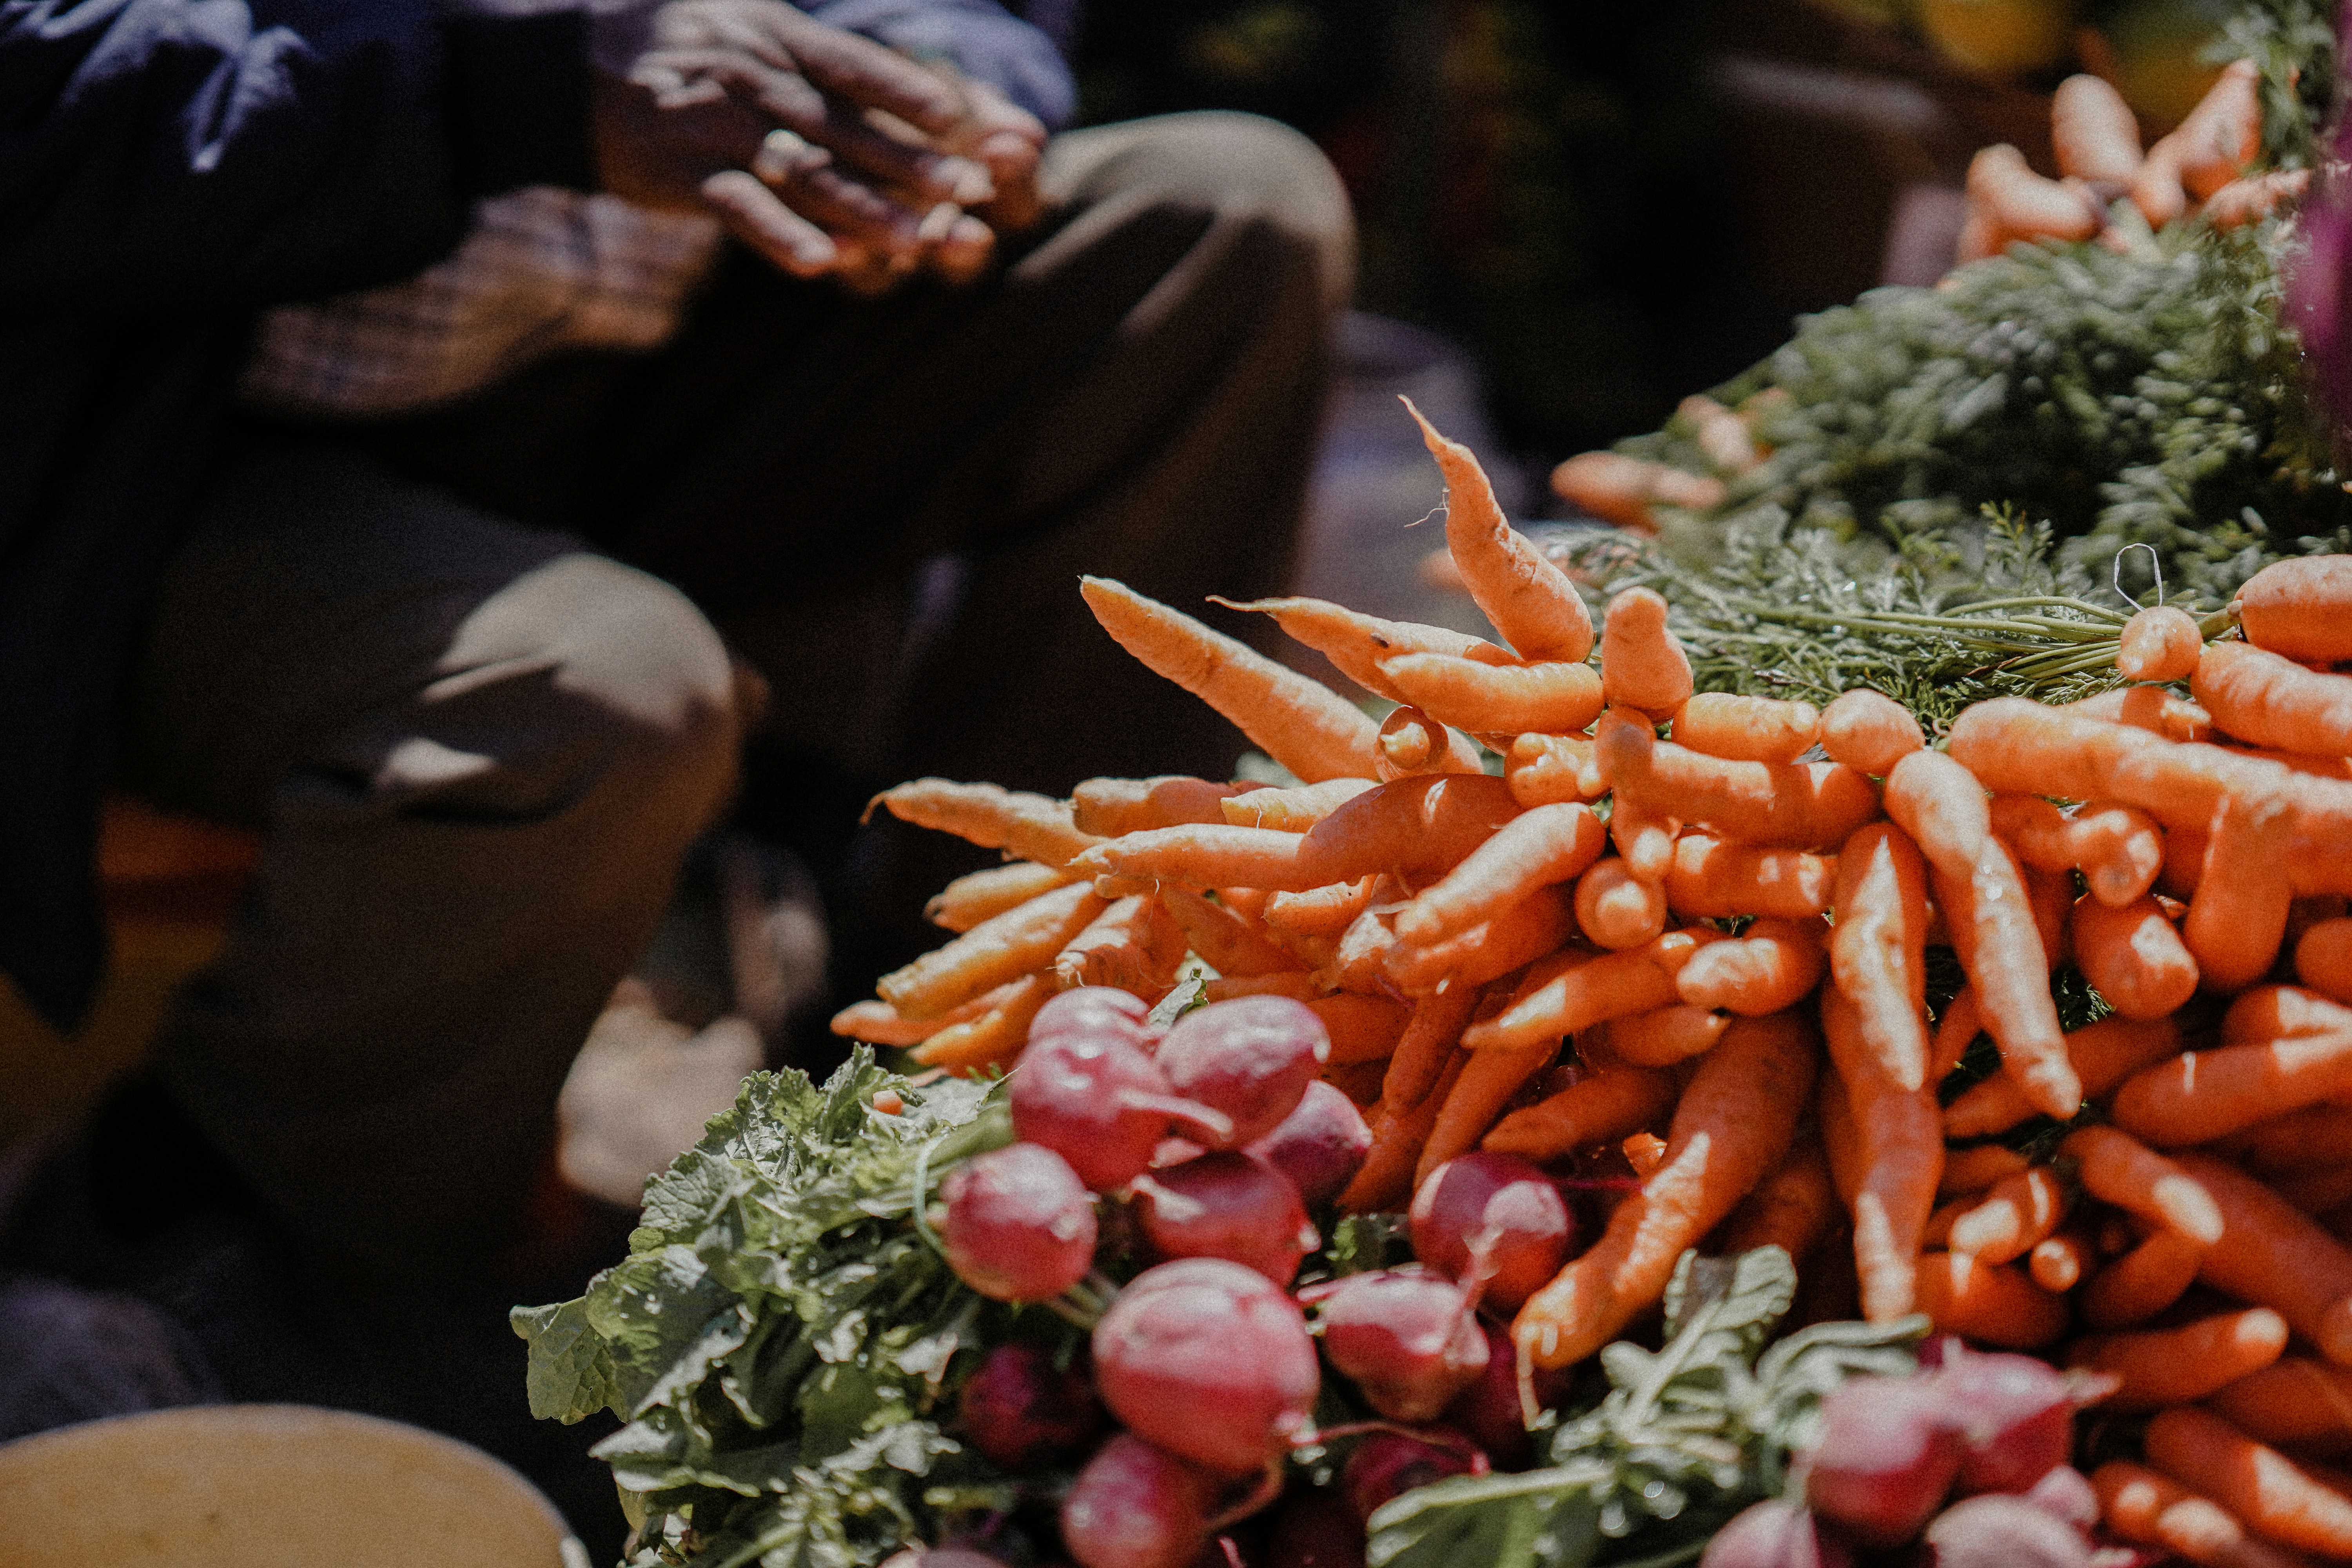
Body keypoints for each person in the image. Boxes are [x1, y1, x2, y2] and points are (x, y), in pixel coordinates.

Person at [0, 0, 1351, 1535]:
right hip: (161, 454)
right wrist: (504, 93)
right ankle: (244, 1237)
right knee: (590, 697)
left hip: (644, 375)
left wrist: (940, 98)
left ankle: (985, 1125)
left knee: (1229, 210)